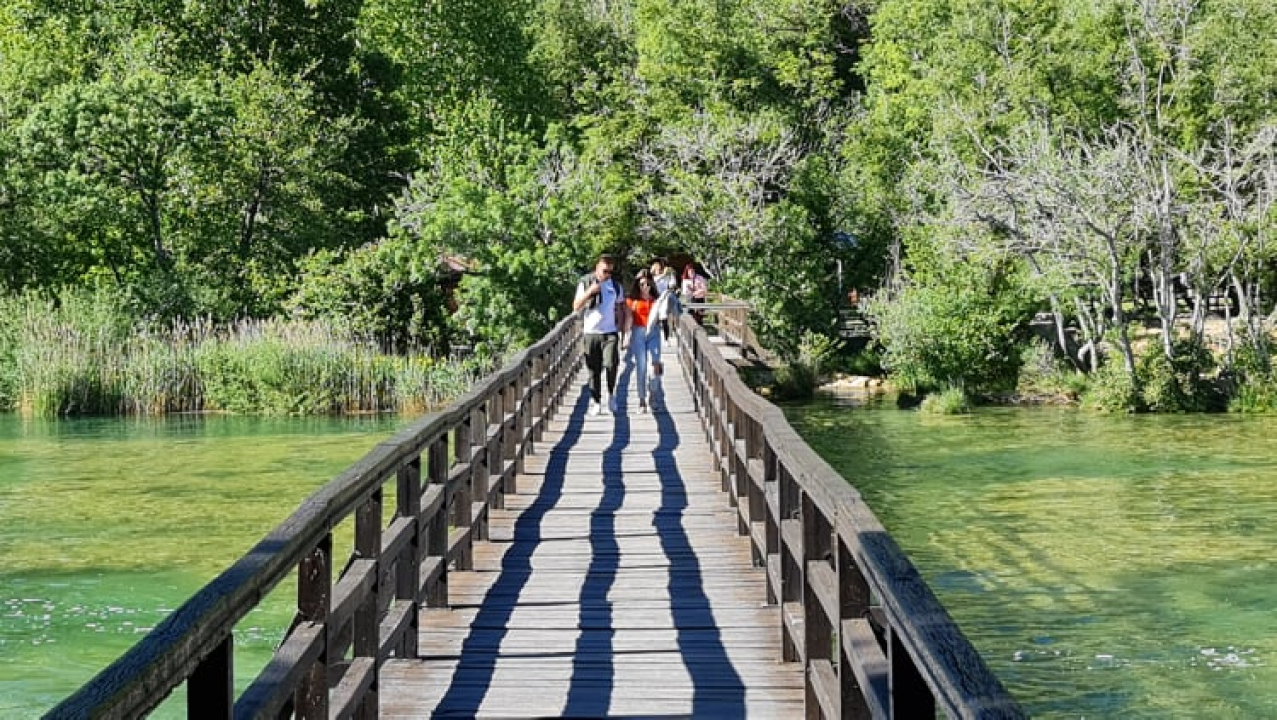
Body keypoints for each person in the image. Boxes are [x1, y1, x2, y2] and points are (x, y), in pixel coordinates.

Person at [573, 254, 628, 415]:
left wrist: (621, 327)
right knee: (593, 369)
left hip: (609, 331)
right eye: (605, 271)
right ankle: (596, 401)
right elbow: (576, 306)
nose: (607, 275)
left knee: (611, 364)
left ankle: (611, 394)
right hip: (591, 332)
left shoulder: (616, 286)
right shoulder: (585, 282)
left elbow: (620, 307)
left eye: (610, 272)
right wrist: (590, 291)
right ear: (597, 268)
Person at [624, 271, 662, 413]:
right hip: (638, 332)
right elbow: (628, 319)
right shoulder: (632, 300)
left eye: (647, 283)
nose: (645, 287)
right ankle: (641, 399)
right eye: (641, 284)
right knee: (641, 366)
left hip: (654, 332)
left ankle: (653, 394)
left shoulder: (656, 300)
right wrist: (626, 337)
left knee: (656, 363)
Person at [650, 258, 680, 341]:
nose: (659, 270)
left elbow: (672, 284)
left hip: (665, 298)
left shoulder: (667, 276)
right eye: (657, 269)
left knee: (666, 312)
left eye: (660, 269)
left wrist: (671, 275)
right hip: (656, 298)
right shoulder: (653, 278)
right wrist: (663, 275)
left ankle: (673, 328)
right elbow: (653, 283)